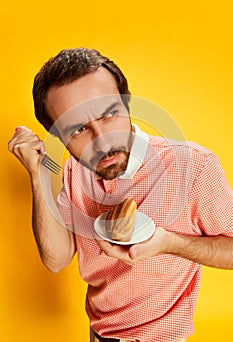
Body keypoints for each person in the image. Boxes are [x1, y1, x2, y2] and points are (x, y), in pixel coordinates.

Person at [8, 48, 233, 342]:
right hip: (98, 335)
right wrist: (38, 174)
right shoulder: (75, 171)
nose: (102, 141)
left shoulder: (193, 167)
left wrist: (169, 243)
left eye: (110, 114)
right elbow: (56, 259)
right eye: (77, 130)